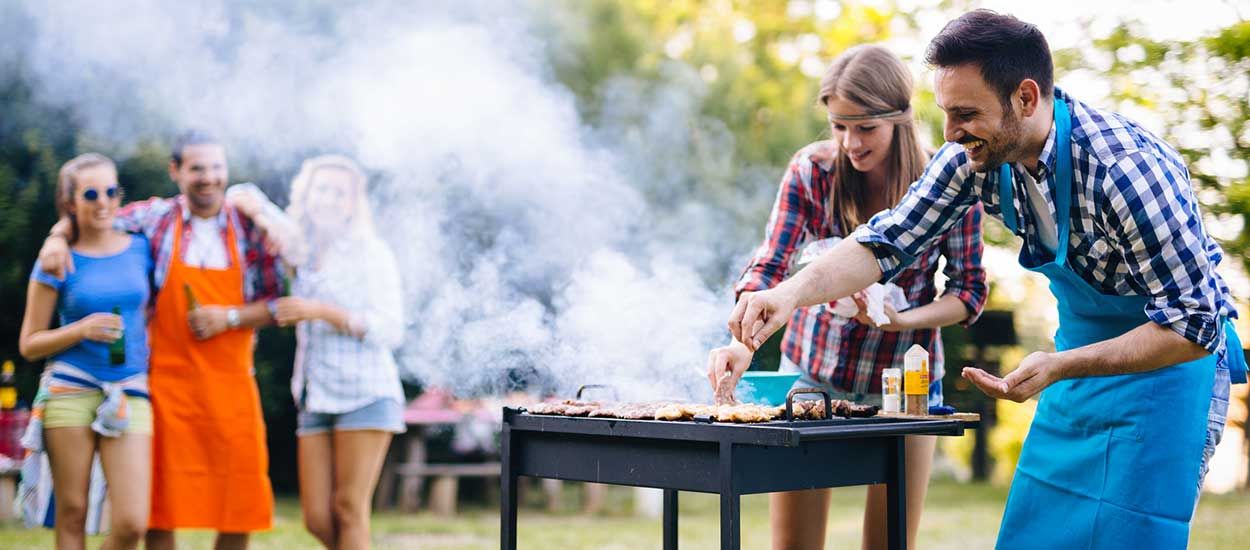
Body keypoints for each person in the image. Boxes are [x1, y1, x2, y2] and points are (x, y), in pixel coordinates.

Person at [730, 10, 1246, 549]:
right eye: (946, 113)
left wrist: (1063, 365)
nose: (950, 133)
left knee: (1129, 536)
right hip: (1074, 370)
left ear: (1025, 98)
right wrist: (786, 294)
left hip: (1165, 372)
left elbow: (1194, 325)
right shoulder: (970, 161)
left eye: (966, 114)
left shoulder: (1125, 172)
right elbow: (886, 241)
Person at [707, 45, 987, 550]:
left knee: (888, 544)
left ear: (899, 119)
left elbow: (969, 293)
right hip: (814, 379)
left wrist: (900, 320)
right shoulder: (812, 172)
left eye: (864, 128)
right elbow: (771, 266)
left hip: (909, 389)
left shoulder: (947, 183)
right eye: (838, 126)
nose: (849, 143)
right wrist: (741, 346)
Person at [37, 130, 291, 550]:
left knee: (237, 502)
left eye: (216, 167)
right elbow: (94, 214)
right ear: (176, 172)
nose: (208, 177)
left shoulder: (249, 226)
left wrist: (229, 317)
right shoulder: (154, 220)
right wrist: (56, 236)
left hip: (231, 385)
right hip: (166, 383)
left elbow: (279, 303)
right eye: (197, 168)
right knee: (161, 507)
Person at [19, 153, 154, 549]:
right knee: (73, 512)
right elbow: (29, 343)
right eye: (91, 193)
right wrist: (80, 330)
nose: (103, 202)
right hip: (69, 391)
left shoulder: (141, 248)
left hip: (129, 391)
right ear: (70, 203)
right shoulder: (55, 260)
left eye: (111, 191)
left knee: (131, 523)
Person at [271, 155, 405, 549]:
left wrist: (322, 312)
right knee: (316, 518)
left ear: (352, 203)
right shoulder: (301, 251)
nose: (329, 199)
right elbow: (258, 209)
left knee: (349, 507)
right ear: (307, 196)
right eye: (322, 189)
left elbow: (391, 328)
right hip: (314, 393)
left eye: (339, 193)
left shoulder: (371, 252)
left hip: (366, 393)